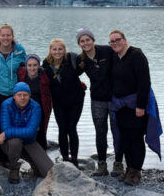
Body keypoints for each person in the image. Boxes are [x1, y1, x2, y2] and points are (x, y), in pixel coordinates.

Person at [109, 30, 162, 185]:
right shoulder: (116, 57)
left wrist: (140, 106)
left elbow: (144, 82)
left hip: (135, 106)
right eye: (111, 42)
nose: (115, 43)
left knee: (136, 139)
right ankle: (129, 169)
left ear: (125, 40)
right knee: (125, 139)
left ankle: (136, 172)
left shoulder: (136, 55)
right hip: (121, 106)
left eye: (117, 40)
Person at [76, 28, 123, 177]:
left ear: (93, 40)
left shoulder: (107, 51)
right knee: (100, 132)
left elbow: (123, 64)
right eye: (82, 41)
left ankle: (118, 163)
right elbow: (71, 74)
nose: (85, 43)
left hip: (114, 98)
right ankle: (101, 165)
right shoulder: (81, 60)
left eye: (88, 40)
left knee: (118, 130)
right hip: (97, 100)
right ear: (79, 44)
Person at [0, 82, 54, 184]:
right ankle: (14, 167)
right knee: (15, 142)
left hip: (29, 142)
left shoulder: (35, 107)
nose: (22, 98)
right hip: (11, 144)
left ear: (29, 95)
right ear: (14, 96)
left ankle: (34, 165)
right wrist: (7, 133)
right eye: (19, 95)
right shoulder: (6, 105)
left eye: (25, 95)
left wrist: (6, 134)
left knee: (49, 172)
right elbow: (6, 127)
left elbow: (31, 132)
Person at [42, 39, 85, 167]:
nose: (57, 52)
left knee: (72, 127)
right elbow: (43, 82)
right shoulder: (46, 64)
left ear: (64, 50)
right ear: (50, 50)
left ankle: (75, 159)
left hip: (76, 100)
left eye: (60, 49)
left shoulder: (72, 60)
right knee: (62, 128)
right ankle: (65, 159)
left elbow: (86, 63)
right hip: (58, 101)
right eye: (54, 49)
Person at [0, 24, 26, 163]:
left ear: (12, 36)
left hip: (13, 93)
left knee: (12, 123)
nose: (5, 38)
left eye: (8, 35)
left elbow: (28, 65)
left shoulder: (19, 50)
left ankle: (12, 155)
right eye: (3, 35)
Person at [17, 54, 52, 150]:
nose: (32, 68)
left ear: (39, 65)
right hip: (24, 109)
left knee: (40, 134)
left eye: (35, 65)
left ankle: (42, 155)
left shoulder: (44, 76)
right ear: (26, 65)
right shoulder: (21, 75)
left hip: (41, 109)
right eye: (30, 65)